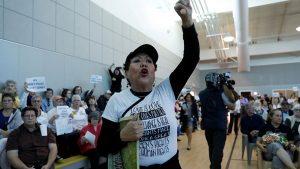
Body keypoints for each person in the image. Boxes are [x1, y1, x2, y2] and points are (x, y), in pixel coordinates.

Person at [97, 0, 199, 168]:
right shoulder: (117, 100)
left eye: (149, 61)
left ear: (154, 70)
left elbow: (191, 58)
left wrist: (187, 22)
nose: (144, 64)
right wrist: (122, 136)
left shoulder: (167, 90)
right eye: (137, 61)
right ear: (127, 72)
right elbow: (102, 147)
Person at [199, 72, 236, 169]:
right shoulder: (222, 93)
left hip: (207, 125)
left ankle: (213, 166)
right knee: (218, 150)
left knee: (212, 148)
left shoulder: (201, 94)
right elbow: (232, 106)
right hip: (220, 126)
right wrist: (228, 90)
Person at [0, 93, 23, 169]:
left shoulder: (18, 113)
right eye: (4, 101)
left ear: (13, 102)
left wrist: (7, 132)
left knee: (4, 141)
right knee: (3, 153)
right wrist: (1, 132)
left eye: (9, 100)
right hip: (1, 136)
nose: (6, 102)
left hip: (14, 137)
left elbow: (19, 128)